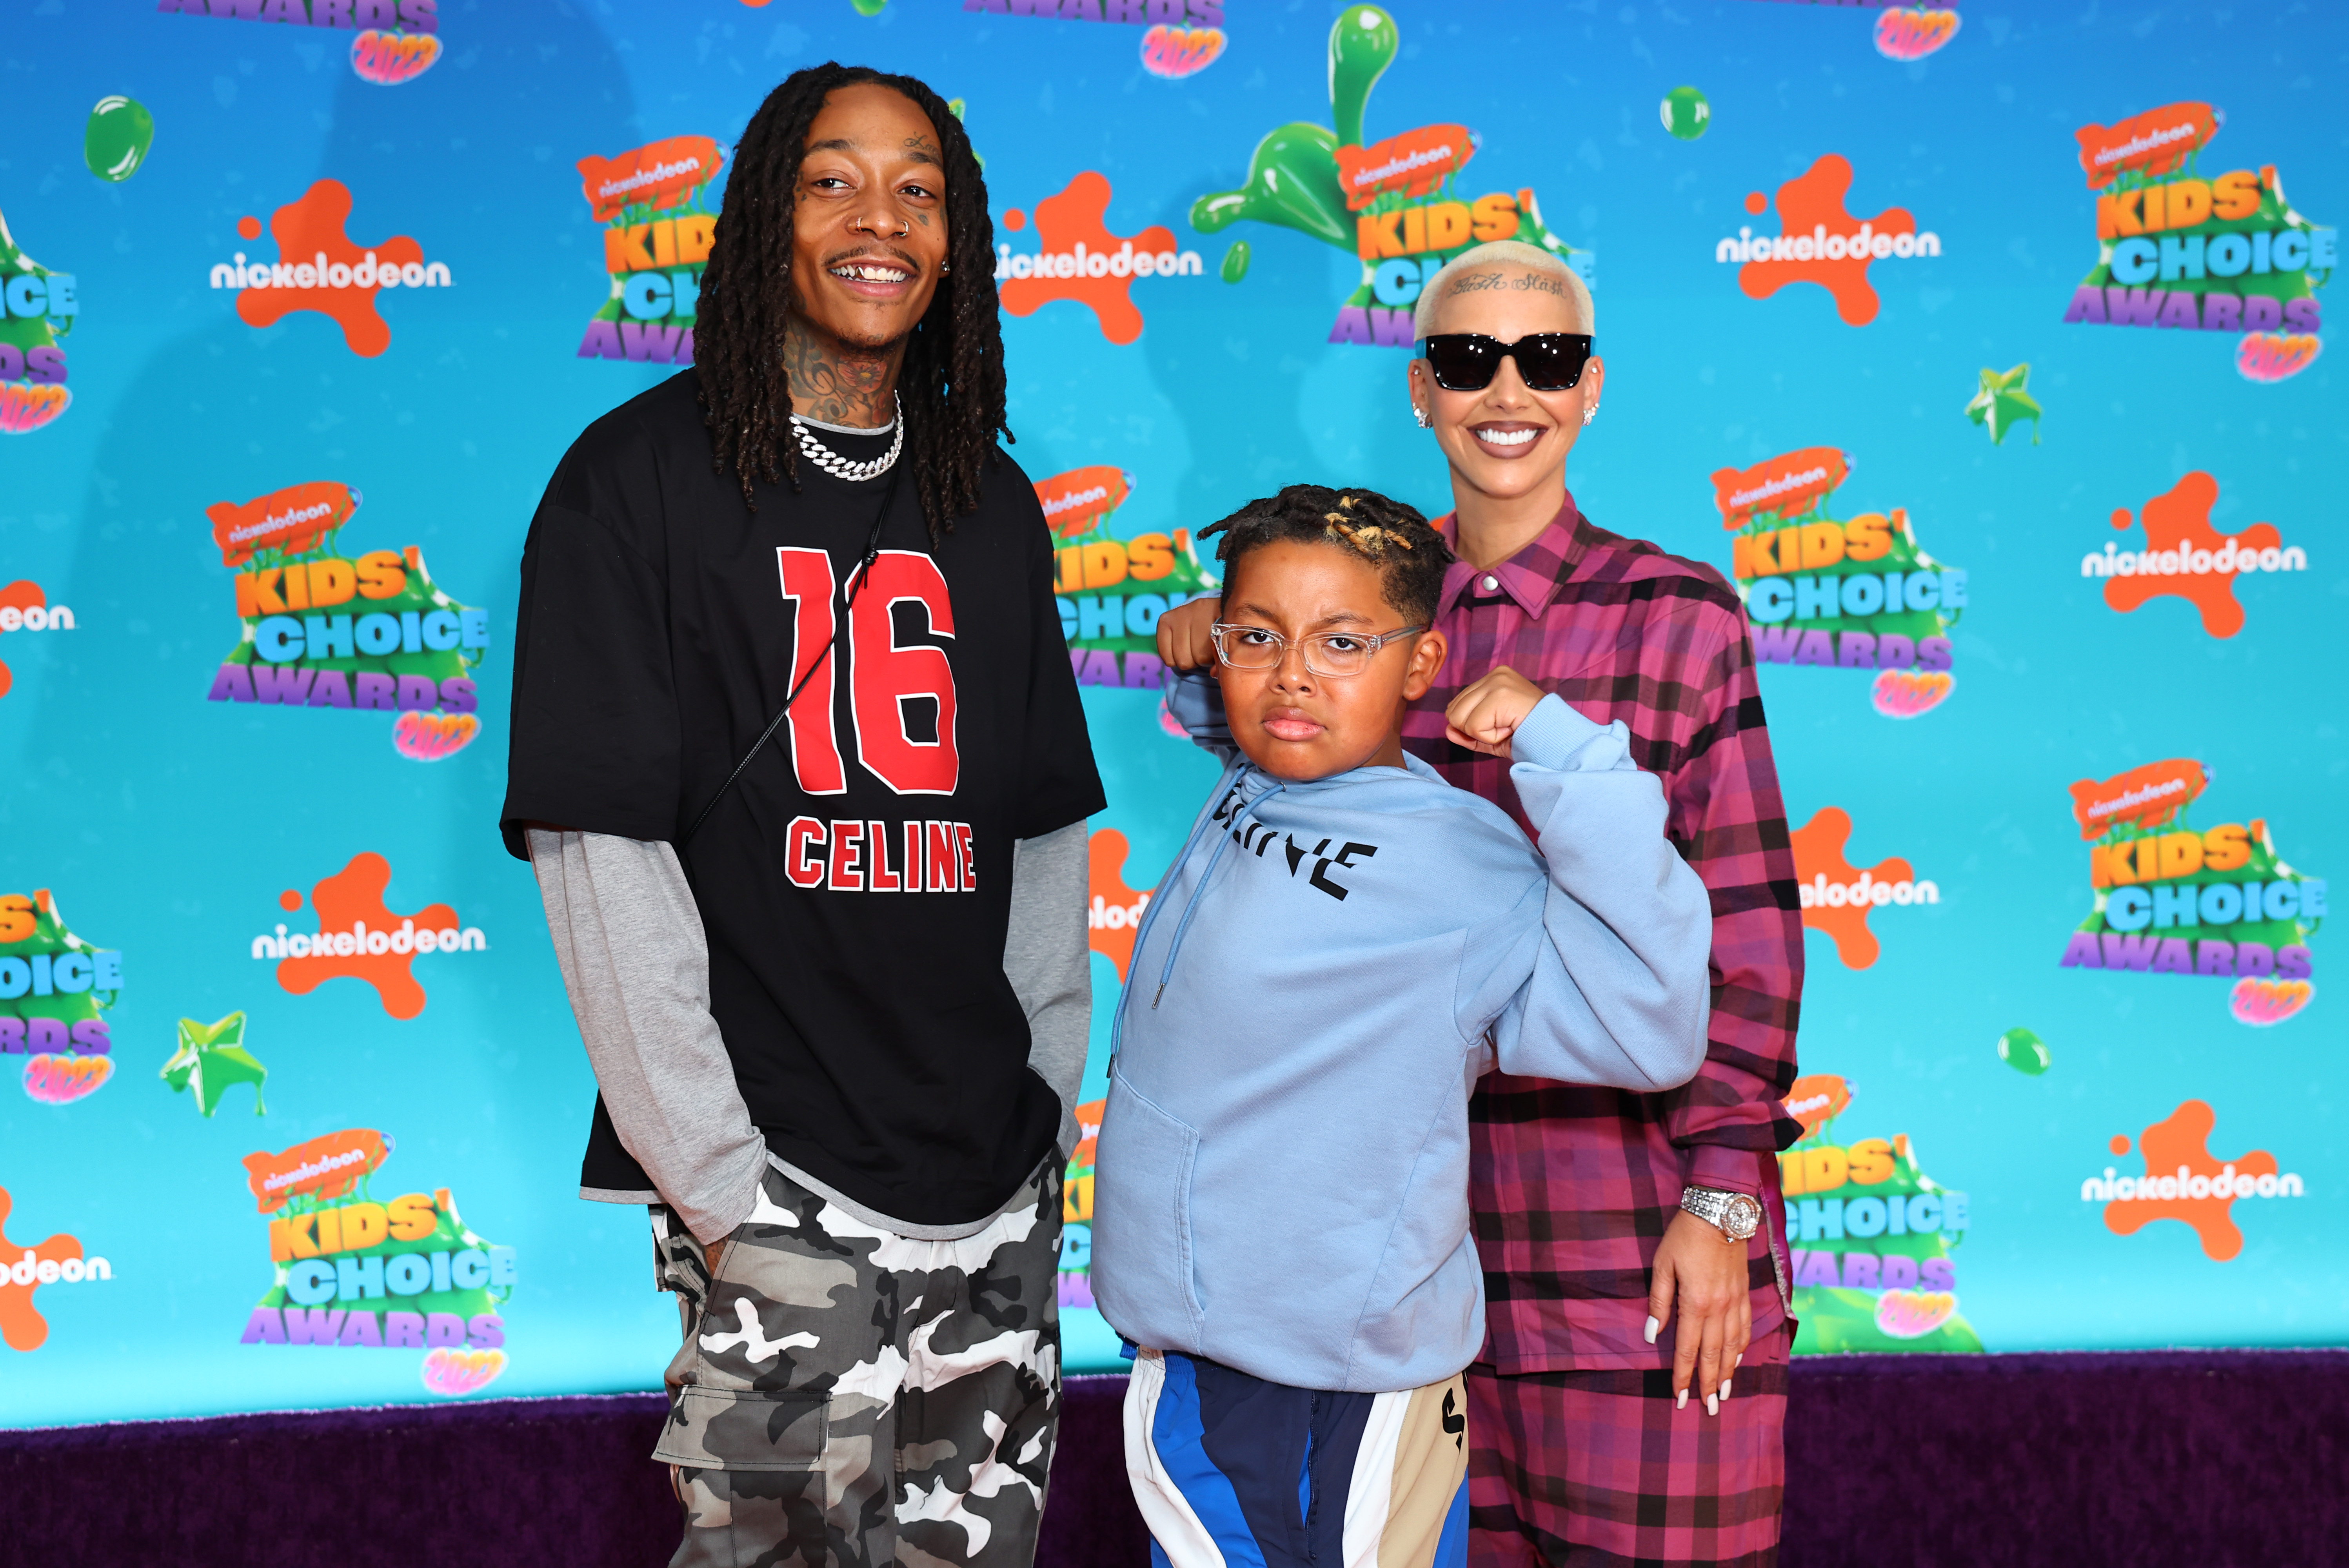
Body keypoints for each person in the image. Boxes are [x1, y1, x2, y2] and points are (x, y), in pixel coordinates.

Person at [500, 64, 1104, 1568]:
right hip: (778, 1188)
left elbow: (1039, 832)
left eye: (919, 189)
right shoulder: (632, 482)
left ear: (957, 239)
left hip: (994, 1192)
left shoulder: (991, 501)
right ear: (766, 214)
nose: (877, 219)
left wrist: (1041, 1109)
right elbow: (603, 856)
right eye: (832, 180)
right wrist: (726, 1196)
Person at [1159, 241, 1806, 1566]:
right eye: (1468, 359)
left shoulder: (1679, 615)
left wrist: (1722, 1199)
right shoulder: (1356, 611)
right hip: (1400, 1272)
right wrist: (1210, 649)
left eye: (1546, 358)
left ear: (1589, 388)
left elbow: (1748, 931)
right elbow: (1286, 799)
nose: (1508, 390)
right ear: (1421, 390)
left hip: (1624, 1237)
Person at [1097, 484, 1715, 1568]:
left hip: (1343, 1385)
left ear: (1422, 664)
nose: (1295, 675)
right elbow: (1244, 700)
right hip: (1196, 1353)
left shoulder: (1463, 861)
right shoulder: (1257, 776)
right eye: (1261, 638)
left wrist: (1566, 753)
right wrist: (1207, 643)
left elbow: (1651, 1029)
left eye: (1342, 643)